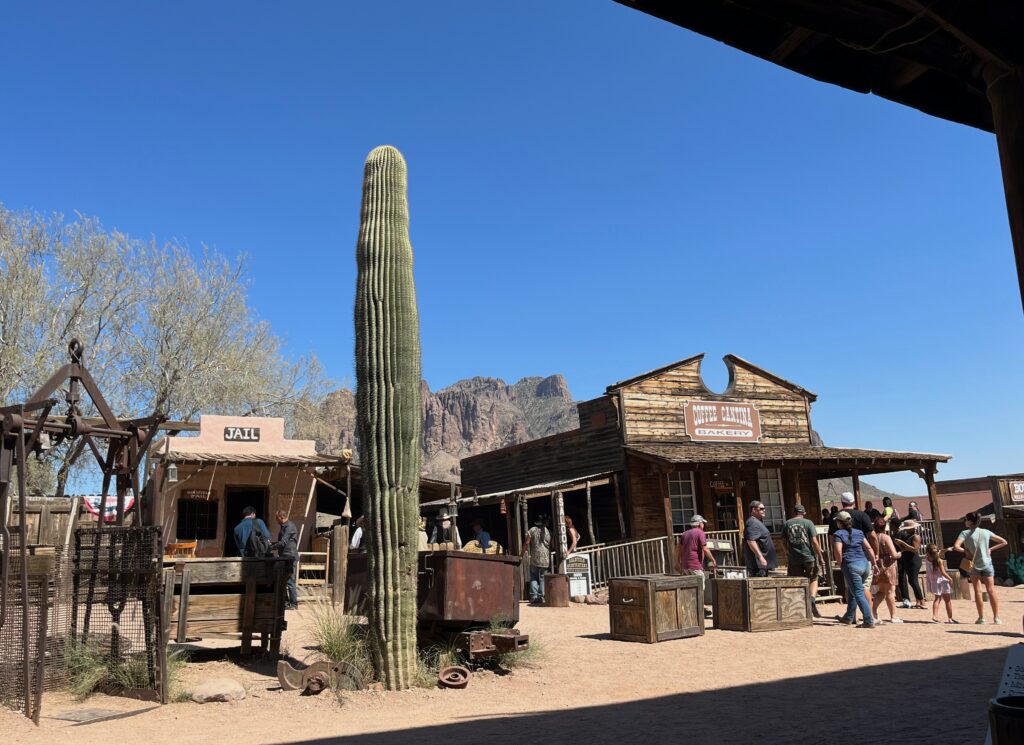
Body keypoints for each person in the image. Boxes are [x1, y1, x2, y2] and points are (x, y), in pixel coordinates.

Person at [952, 512, 1009, 624]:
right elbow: (1004, 542)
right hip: (987, 563)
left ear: (969, 521)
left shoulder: (964, 533)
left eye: (966, 520)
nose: (965, 521)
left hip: (973, 565)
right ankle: (996, 618)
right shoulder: (985, 532)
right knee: (991, 590)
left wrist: (965, 551)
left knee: (977, 591)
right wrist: (990, 549)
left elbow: (956, 546)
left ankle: (981, 617)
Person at [829, 492, 877, 610]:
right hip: (864, 557)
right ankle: (870, 613)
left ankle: (853, 616)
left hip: (848, 559)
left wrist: (838, 558)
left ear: (842, 502)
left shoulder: (836, 517)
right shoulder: (862, 515)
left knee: (850, 587)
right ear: (854, 502)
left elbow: (831, 539)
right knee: (864, 587)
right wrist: (875, 555)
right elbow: (872, 536)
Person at [833, 510, 878, 628]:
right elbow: (868, 548)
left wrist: (840, 564)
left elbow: (838, 551)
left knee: (858, 593)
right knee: (854, 591)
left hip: (851, 565)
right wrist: (874, 563)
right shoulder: (859, 532)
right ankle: (848, 617)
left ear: (839, 522)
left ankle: (868, 620)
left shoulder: (838, 534)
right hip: (864, 564)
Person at [783, 504, 825, 617]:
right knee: (814, 578)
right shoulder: (808, 523)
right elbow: (815, 541)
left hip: (794, 557)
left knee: (797, 581)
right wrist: (820, 556)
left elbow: (783, 541)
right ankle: (811, 600)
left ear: (794, 512)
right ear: (804, 513)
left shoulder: (787, 523)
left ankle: (799, 607)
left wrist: (787, 552)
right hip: (809, 556)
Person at [677, 515, 716, 604]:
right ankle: (699, 609)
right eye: (703, 523)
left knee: (689, 588)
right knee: (700, 588)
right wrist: (712, 559)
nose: (703, 525)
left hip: (685, 565)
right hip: (695, 564)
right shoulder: (700, 533)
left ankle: (690, 608)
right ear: (699, 524)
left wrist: (678, 561)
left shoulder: (684, 533)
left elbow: (680, 549)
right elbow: (705, 549)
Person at [870, 516, 902, 623]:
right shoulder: (885, 537)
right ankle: (893, 616)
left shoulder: (873, 537)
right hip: (888, 566)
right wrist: (899, 554)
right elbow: (893, 554)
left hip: (879, 566)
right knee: (890, 591)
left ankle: (873, 611)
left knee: (881, 591)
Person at [893, 520, 925, 609]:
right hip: (907, 559)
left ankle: (922, 600)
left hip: (914, 560)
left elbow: (915, 549)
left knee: (913, 581)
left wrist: (902, 543)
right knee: (911, 581)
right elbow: (905, 549)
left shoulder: (916, 536)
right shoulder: (908, 536)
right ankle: (918, 601)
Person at [271, 509, 299, 610]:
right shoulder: (284, 527)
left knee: (290, 581)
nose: (276, 520)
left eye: (276, 518)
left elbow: (283, 542)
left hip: (290, 557)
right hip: (284, 557)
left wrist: (272, 546)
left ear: (281, 517)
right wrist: (273, 544)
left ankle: (294, 604)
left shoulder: (290, 527)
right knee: (284, 580)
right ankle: (286, 602)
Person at [743, 500, 777, 577]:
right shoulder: (752, 523)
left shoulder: (757, 522)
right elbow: (751, 541)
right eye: (761, 508)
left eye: (764, 508)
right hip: (758, 565)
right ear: (753, 510)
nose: (764, 510)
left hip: (762, 565)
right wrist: (761, 557)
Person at [924, 543, 956, 623]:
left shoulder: (927, 558)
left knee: (937, 599)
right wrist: (950, 578)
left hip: (934, 581)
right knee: (947, 600)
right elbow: (943, 572)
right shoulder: (939, 561)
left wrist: (946, 549)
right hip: (942, 581)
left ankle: (935, 616)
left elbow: (938, 551)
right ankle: (950, 618)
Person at [523, 515, 551, 603]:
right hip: (545, 558)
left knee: (533, 576)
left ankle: (533, 596)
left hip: (534, 557)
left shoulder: (532, 530)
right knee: (543, 577)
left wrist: (522, 551)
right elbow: (552, 544)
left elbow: (527, 542)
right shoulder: (548, 531)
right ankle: (541, 597)